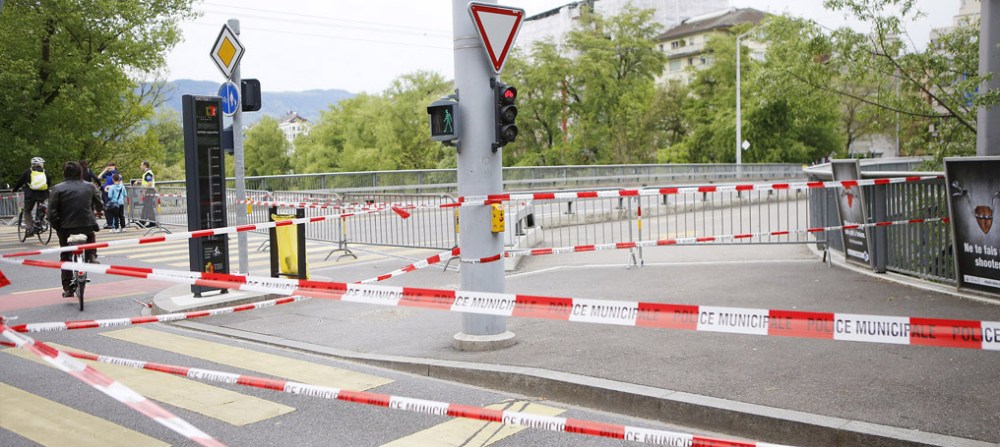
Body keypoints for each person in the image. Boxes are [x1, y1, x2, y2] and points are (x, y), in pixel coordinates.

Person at [49, 161, 104, 297]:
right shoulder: (89, 186)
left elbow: (51, 213)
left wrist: (57, 226)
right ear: (80, 172)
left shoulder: (57, 189)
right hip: (87, 225)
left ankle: (68, 288)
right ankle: (91, 256)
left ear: (64, 173)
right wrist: (98, 210)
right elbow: (99, 204)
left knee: (65, 256)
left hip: (65, 228)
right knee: (91, 236)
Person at [11, 157, 53, 237]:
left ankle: (30, 228)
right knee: (41, 206)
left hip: (31, 195)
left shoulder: (28, 171)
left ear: (32, 164)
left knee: (27, 211)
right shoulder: (45, 172)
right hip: (43, 194)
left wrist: (15, 190)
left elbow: (20, 181)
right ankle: (42, 220)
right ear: (41, 164)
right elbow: (49, 182)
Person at [98, 161, 119, 229]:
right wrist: (104, 170)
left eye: (111, 166)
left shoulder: (116, 173)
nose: (109, 167)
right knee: (106, 208)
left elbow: (118, 183)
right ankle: (109, 223)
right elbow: (99, 177)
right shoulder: (108, 173)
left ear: (114, 166)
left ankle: (112, 223)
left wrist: (110, 187)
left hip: (112, 193)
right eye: (109, 166)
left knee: (111, 208)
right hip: (105, 193)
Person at [135, 160, 156, 228]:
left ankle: (142, 222)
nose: (140, 166)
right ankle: (152, 223)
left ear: (145, 166)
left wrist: (144, 191)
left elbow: (149, 183)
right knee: (149, 207)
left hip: (149, 191)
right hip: (149, 191)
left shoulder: (148, 173)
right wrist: (139, 181)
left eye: (141, 165)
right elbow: (146, 182)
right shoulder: (147, 173)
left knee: (147, 207)